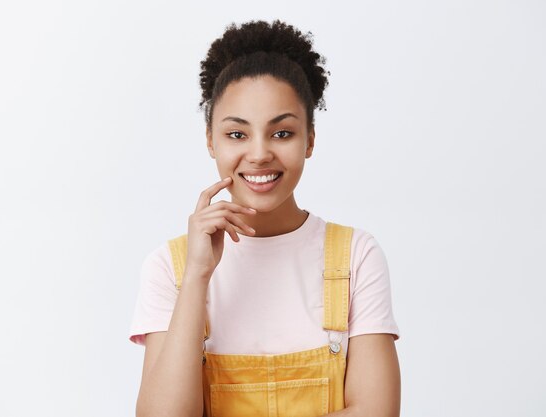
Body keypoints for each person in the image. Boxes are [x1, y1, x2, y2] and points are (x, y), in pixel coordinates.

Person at [129, 19, 401, 417]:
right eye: (237, 134)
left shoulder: (356, 257)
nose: (258, 154)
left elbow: (377, 412)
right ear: (210, 140)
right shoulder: (168, 268)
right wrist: (196, 277)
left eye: (282, 133)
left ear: (310, 139)